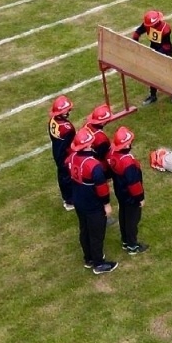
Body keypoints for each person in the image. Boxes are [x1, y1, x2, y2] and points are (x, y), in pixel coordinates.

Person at [66, 128, 117, 274]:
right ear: (87, 145)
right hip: (93, 205)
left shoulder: (72, 157)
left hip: (79, 201)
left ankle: (88, 258)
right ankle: (99, 264)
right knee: (96, 234)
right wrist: (106, 204)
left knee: (84, 230)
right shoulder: (94, 166)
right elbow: (102, 189)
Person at [108, 127, 148, 255]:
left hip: (120, 191)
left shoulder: (113, 154)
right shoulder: (127, 162)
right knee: (132, 220)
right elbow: (134, 184)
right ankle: (132, 245)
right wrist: (140, 198)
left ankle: (125, 240)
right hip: (130, 196)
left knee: (124, 215)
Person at [131, 10, 172, 105]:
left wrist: (157, 55)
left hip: (165, 52)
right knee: (152, 73)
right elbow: (138, 32)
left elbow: (166, 46)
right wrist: (135, 41)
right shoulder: (147, 25)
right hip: (154, 49)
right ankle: (153, 95)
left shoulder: (165, 29)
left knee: (167, 72)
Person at [48, 94, 76, 211]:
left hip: (56, 150)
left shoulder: (52, 120)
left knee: (62, 174)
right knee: (67, 176)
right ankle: (69, 201)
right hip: (65, 154)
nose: (68, 111)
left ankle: (66, 197)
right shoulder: (67, 128)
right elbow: (71, 144)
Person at [82, 103, 114, 169]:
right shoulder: (101, 139)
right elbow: (102, 156)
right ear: (102, 122)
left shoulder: (87, 124)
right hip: (98, 164)